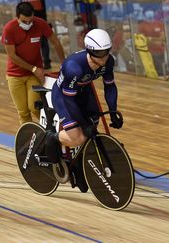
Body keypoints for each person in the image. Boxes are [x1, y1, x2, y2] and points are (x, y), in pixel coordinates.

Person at [47, 28, 123, 192]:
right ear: (90, 51)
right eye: (99, 53)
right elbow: (69, 99)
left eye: (106, 52)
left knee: (91, 132)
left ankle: (80, 165)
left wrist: (113, 111)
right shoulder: (74, 67)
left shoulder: (108, 61)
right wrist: (81, 122)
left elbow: (110, 86)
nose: (104, 58)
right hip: (64, 96)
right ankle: (53, 138)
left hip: (83, 92)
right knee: (77, 137)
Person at [1, 2, 65, 124]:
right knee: (23, 112)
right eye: (24, 22)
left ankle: (51, 132)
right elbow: (12, 56)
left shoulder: (40, 23)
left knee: (35, 107)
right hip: (15, 75)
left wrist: (64, 63)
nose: (28, 24)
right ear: (17, 17)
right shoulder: (9, 29)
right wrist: (33, 68)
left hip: (33, 74)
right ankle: (29, 141)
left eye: (30, 21)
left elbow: (56, 42)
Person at [23, 0, 52, 69]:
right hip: (32, 17)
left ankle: (46, 62)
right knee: (34, 41)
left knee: (42, 41)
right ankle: (40, 62)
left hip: (38, 17)